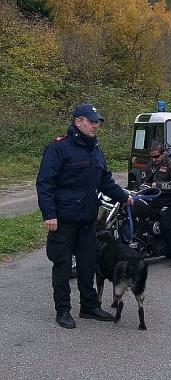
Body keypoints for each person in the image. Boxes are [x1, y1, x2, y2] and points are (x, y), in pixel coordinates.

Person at [36, 103, 133, 329]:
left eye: (97, 122)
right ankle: (63, 310)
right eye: (91, 121)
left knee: (88, 266)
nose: (95, 125)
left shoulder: (95, 149)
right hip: (63, 220)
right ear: (78, 122)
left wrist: (123, 196)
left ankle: (89, 306)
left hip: (87, 221)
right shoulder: (59, 148)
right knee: (62, 266)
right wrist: (49, 214)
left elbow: (105, 180)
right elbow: (45, 183)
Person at [144, 141, 171, 267]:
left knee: (166, 226)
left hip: (169, 202)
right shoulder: (150, 165)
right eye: (152, 156)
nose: (154, 159)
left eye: (156, 156)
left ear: (163, 154)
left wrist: (159, 186)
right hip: (153, 200)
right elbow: (146, 181)